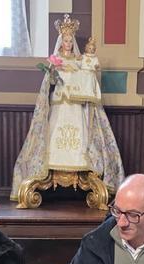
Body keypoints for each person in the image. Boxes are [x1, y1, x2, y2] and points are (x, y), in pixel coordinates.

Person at [10, 14, 124, 202]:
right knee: (55, 134)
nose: (68, 44)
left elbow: (87, 77)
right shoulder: (55, 60)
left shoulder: (80, 60)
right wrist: (52, 74)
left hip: (76, 107)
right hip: (60, 104)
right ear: (61, 41)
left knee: (81, 137)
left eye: (71, 41)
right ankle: (49, 168)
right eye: (66, 40)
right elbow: (49, 83)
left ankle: (82, 167)